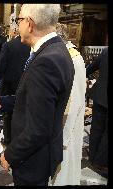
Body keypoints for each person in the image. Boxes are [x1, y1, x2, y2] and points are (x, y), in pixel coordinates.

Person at [0, 4, 75, 185]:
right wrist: (2, 101)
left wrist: (10, 154)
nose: (17, 26)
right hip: (40, 155)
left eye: (19, 20)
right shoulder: (57, 49)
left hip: (32, 159)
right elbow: (36, 101)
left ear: (30, 23)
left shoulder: (46, 61)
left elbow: (38, 128)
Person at [50, 23, 86, 185]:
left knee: (63, 172)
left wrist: (62, 136)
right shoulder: (67, 54)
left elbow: (72, 99)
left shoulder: (71, 58)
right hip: (65, 126)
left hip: (67, 128)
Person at [0, 24, 31, 146]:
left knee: (8, 114)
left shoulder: (8, 45)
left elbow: (1, 66)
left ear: (15, 32)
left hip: (9, 86)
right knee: (23, 112)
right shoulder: (31, 46)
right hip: (25, 85)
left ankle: (7, 139)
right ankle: (20, 139)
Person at [86, 47, 108, 177]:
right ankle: (101, 163)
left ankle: (93, 159)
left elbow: (89, 69)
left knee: (96, 129)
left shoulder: (106, 51)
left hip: (99, 97)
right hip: (101, 97)